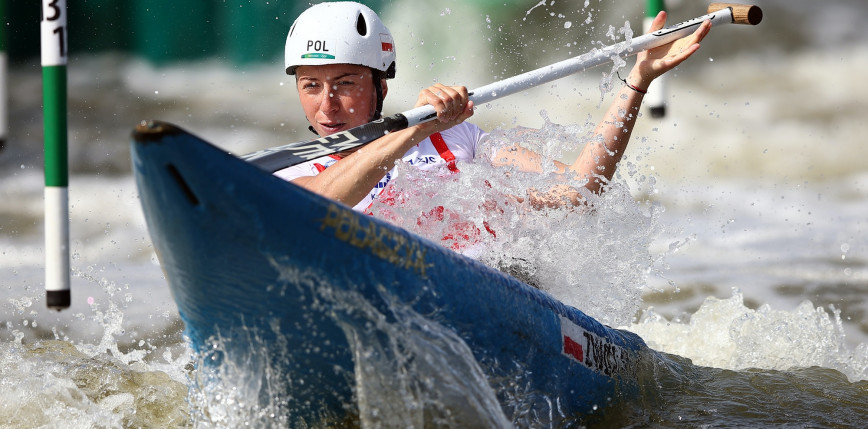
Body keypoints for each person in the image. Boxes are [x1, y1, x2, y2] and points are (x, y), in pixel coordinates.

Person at [275, 1, 711, 214]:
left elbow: (578, 193)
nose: (326, 104)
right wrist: (412, 132)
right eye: (311, 86)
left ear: (381, 86)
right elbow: (312, 209)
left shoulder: (457, 139)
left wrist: (637, 82)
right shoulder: (287, 175)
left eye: (345, 84)